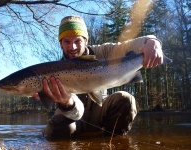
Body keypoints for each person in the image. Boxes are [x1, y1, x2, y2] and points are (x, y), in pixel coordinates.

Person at [33, 15, 163, 139]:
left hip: (100, 111)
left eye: (77, 41)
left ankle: (110, 143)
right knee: (59, 129)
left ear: (86, 40)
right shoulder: (53, 71)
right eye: (67, 41)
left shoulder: (102, 52)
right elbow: (76, 112)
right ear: (61, 43)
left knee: (126, 99)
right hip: (71, 116)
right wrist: (65, 102)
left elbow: (130, 45)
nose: (72, 47)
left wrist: (152, 42)